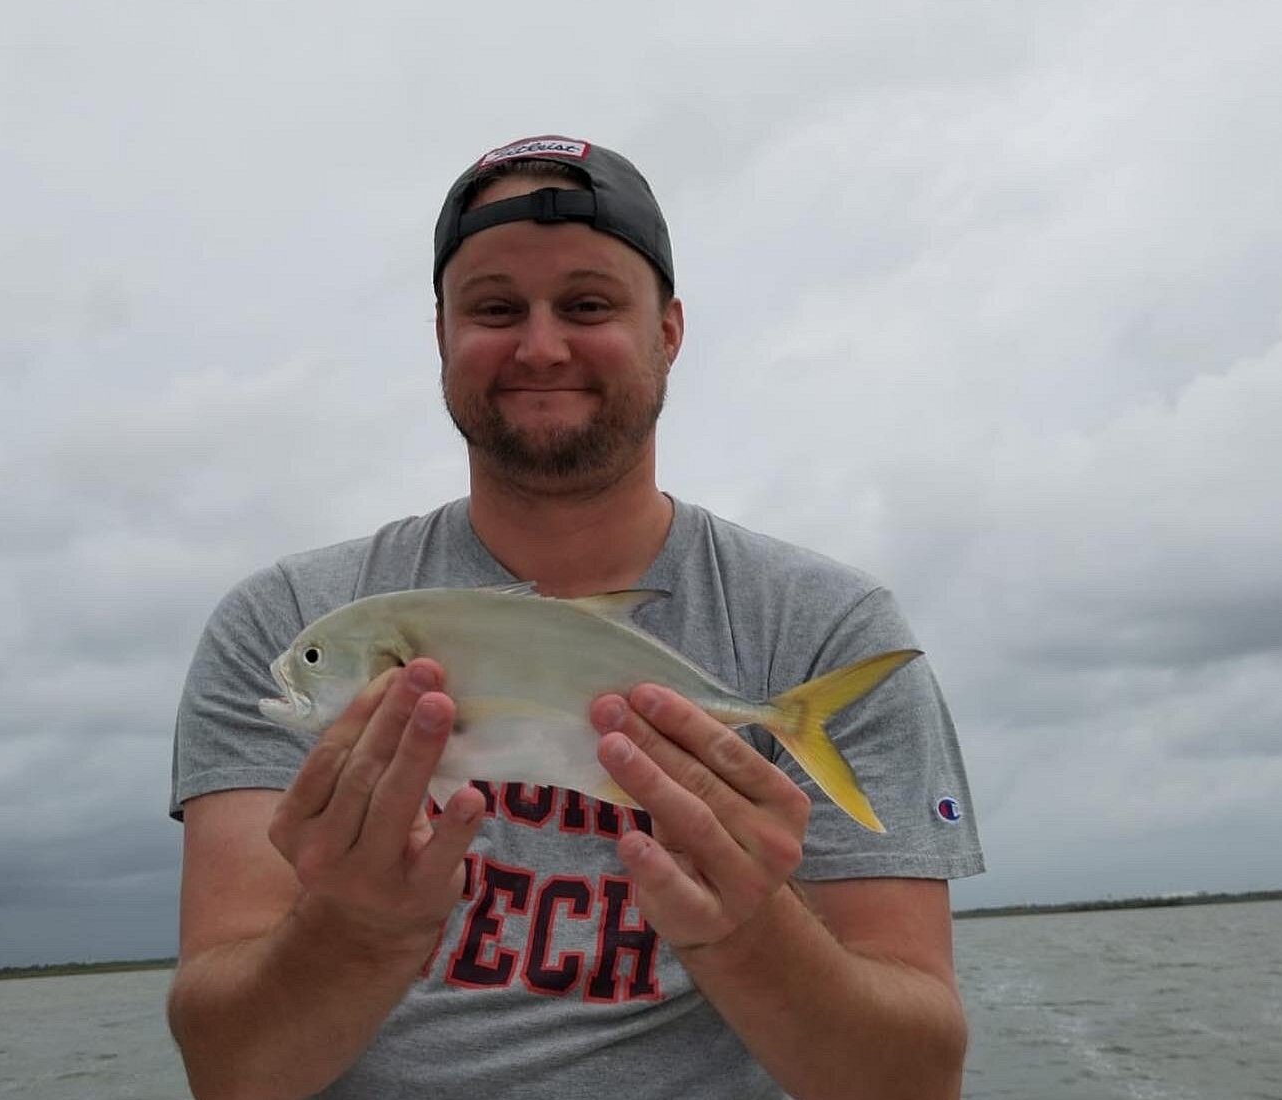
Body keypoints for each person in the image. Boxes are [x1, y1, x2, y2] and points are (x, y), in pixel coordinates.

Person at [167, 134, 984, 1100]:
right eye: (495, 308)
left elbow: (915, 1080)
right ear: (440, 334)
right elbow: (228, 1072)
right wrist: (361, 926)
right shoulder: (290, 617)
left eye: (589, 305)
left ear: (669, 331)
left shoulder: (823, 624)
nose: (542, 345)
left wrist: (745, 928)